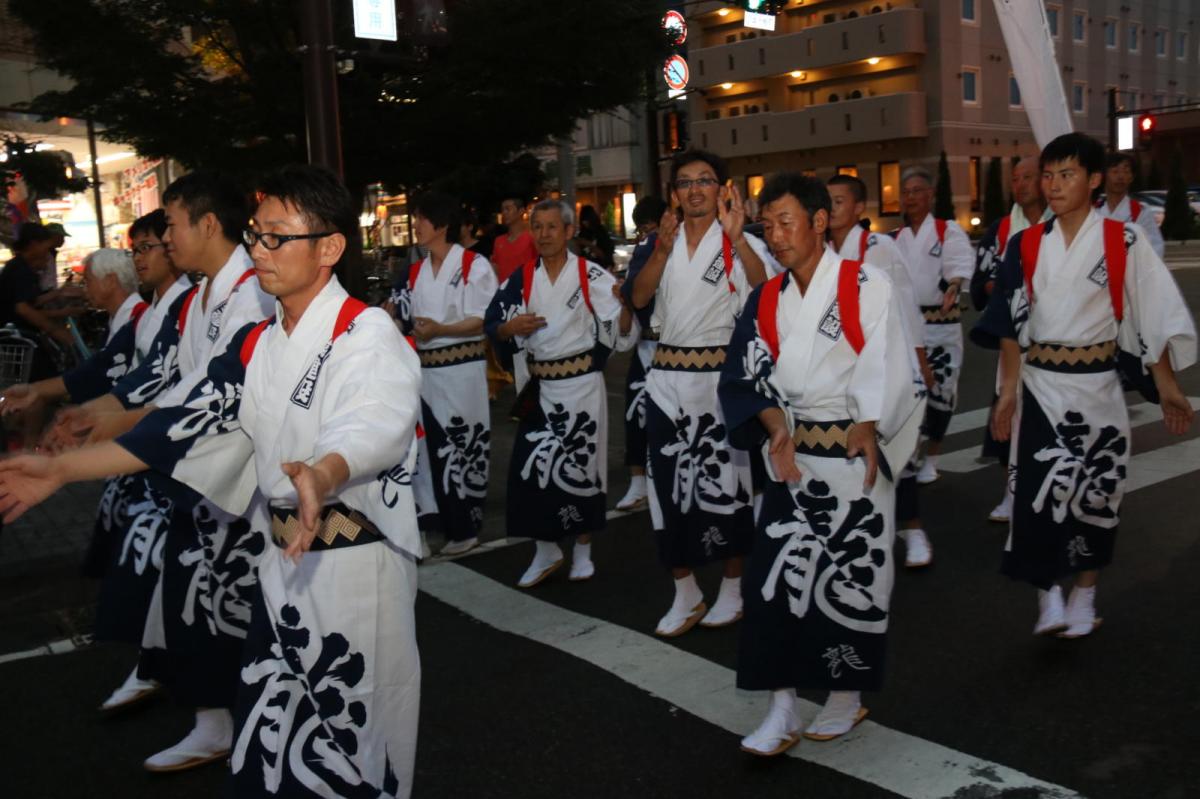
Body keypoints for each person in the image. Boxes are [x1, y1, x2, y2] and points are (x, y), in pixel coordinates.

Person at [0, 164, 425, 797]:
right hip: (284, 566)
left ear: (330, 247)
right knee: (269, 751)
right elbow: (175, 425)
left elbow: (375, 424)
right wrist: (60, 470)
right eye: (257, 234)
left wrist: (325, 470)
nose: (259, 248)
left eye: (278, 236)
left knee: (348, 748)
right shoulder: (255, 342)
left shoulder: (366, 333)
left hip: (355, 572)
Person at [43, 171, 275, 772]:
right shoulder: (206, 294)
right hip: (205, 477)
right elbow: (175, 385)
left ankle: (230, 720)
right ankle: (215, 717)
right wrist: (100, 417)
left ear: (207, 223)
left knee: (227, 605)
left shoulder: (249, 294)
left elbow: (206, 398)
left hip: (239, 481)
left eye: (169, 225)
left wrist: (95, 443)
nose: (165, 238)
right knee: (197, 597)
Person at [719, 173, 924, 754]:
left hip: (854, 460)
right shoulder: (764, 301)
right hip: (793, 462)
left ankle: (843, 697)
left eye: (786, 223)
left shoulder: (866, 285)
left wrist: (868, 417)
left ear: (819, 221)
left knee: (851, 580)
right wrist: (774, 422)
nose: (776, 236)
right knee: (774, 585)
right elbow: (742, 377)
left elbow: (888, 361)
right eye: (769, 226)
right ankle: (781, 709)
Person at [972, 132, 1196, 638]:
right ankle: (1048, 594)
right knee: (1037, 495)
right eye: (1048, 175)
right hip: (1041, 388)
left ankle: (1085, 592)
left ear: (1093, 180)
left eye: (1066, 174)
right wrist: (1007, 394)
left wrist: (1168, 388)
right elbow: (1008, 325)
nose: (1052, 185)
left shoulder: (1123, 241)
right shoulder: (1025, 244)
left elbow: (1149, 318)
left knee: (1097, 495)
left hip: (1097, 388)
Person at [628, 149, 779, 637]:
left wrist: (739, 238)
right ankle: (686, 590)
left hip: (718, 384)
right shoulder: (658, 242)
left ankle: (733, 590)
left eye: (706, 181)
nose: (695, 189)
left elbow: (765, 292)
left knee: (727, 490)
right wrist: (663, 252)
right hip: (667, 379)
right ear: (674, 193)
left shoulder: (737, 243)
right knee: (666, 489)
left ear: (723, 190)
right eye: (686, 182)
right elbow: (639, 297)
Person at [485, 199, 627, 587]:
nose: (544, 234)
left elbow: (618, 320)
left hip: (581, 386)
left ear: (568, 232)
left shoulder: (589, 275)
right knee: (531, 472)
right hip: (541, 388)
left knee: (584, 468)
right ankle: (545, 550)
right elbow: (493, 321)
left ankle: (582, 549)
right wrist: (509, 328)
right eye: (539, 227)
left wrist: (624, 301)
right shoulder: (521, 279)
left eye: (552, 227)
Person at [827, 174, 933, 568]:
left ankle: (914, 530)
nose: (832, 207)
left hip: (886, 363)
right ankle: (864, 535)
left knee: (894, 451)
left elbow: (906, 305)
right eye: (827, 201)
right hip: (842, 371)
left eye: (840, 201)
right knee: (851, 457)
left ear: (858, 209)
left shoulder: (878, 247)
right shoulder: (820, 252)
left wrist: (919, 361)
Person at [393, 191, 497, 557]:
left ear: (440, 224)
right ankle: (438, 525)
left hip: (462, 370)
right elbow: (401, 313)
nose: (415, 226)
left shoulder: (474, 265)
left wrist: (441, 330)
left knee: (461, 446)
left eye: (421, 218)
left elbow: (485, 317)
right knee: (428, 451)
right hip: (427, 372)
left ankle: (465, 526)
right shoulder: (415, 272)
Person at [970, 157, 1051, 524]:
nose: (1020, 185)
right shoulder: (1002, 231)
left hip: (1057, 340)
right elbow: (980, 282)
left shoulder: (1062, 223)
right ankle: (1011, 491)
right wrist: (995, 286)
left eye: (1028, 177)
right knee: (1009, 416)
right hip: (1014, 342)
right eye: (1015, 179)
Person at [892, 166, 974, 487]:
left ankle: (934, 457)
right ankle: (910, 452)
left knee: (941, 392)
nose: (910, 197)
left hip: (941, 326)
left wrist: (954, 284)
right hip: (908, 327)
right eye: (906, 192)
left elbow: (959, 263)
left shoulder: (946, 231)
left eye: (917, 191)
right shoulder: (895, 239)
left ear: (930, 196)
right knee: (909, 394)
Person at [613, 195, 666, 512]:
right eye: (643, 230)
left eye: (649, 227)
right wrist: (624, 301)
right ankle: (638, 482)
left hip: (686, 346)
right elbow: (635, 296)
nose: (646, 235)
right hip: (646, 343)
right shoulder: (647, 250)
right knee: (635, 414)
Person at [1097, 152, 1164, 259]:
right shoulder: (1093, 210)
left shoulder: (1140, 212)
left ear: (1132, 177)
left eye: (1126, 172)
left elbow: (1154, 247)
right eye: (1115, 171)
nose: (1120, 176)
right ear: (1104, 176)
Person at [490, 195, 536, 283]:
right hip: (503, 292)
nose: (504, 213)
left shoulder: (532, 238)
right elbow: (495, 268)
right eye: (502, 209)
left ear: (521, 211)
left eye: (508, 209)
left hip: (525, 291)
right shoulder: (498, 241)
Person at [575, 204, 615, 268]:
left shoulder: (601, 232)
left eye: (586, 220)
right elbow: (580, 254)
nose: (584, 223)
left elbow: (605, 255)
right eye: (582, 220)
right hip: (586, 268)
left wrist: (588, 244)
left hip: (601, 268)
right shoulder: (583, 233)